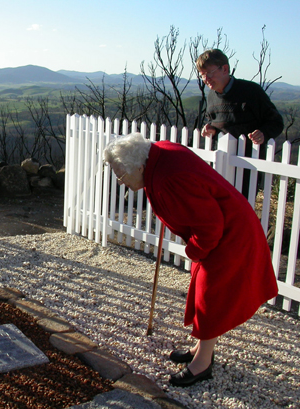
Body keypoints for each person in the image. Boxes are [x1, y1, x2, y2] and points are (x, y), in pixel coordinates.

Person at [103, 132, 278, 387]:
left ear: (140, 167)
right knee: (203, 293)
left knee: (210, 297)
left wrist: (194, 251)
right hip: (226, 226)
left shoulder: (168, 179)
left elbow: (210, 227)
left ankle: (202, 365)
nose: (120, 182)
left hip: (230, 235)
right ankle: (201, 349)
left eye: (121, 175)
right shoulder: (156, 153)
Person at [196, 49, 284, 198]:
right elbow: (216, 123)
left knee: (241, 211)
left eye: (209, 73)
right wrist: (211, 129)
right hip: (220, 166)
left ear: (225, 69)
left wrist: (264, 133)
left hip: (247, 168)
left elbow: (276, 121)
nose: (205, 79)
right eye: (202, 75)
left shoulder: (251, 91)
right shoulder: (211, 97)